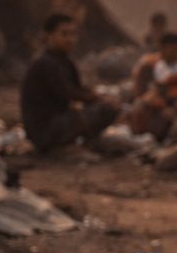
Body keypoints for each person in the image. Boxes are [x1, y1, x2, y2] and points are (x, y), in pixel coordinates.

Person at [19, 12, 118, 153]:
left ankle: (86, 143)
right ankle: (58, 147)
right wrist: (99, 99)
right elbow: (68, 93)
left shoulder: (67, 61)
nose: (71, 39)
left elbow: (79, 88)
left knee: (107, 108)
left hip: (59, 120)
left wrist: (101, 97)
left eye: (74, 34)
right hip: (44, 128)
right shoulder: (44, 62)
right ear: (49, 36)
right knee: (99, 111)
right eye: (64, 34)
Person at [127, 32, 177, 140]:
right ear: (161, 49)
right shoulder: (148, 67)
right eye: (173, 50)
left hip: (174, 108)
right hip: (151, 111)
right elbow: (141, 95)